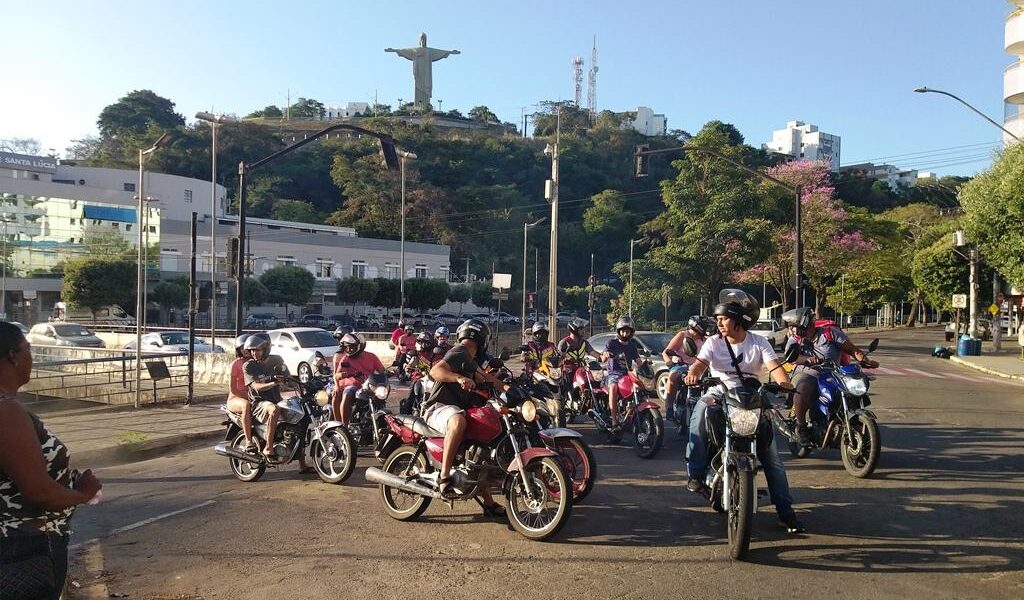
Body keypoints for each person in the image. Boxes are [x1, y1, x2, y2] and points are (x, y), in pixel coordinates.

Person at [683, 289, 805, 533]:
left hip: (751, 396)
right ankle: (696, 474)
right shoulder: (713, 342)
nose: (719, 323)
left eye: (723, 319)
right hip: (718, 392)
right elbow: (699, 365)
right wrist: (692, 375)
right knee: (698, 417)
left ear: (738, 320)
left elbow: (775, 368)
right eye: (717, 319)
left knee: (772, 457)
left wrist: (785, 384)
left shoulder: (758, 342)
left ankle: (786, 512)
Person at [0, 322, 102, 599]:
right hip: (23, 547)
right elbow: (39, 492)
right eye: (29, 349)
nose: (31, 357)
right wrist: (83, 494)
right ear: (13, 356)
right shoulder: (6, 411)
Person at [425, 319, 506, 516]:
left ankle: (488, 502)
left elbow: (488, 379)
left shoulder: (473, 362)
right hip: (439, 408)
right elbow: (435, 370)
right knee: (458, 420)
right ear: (482, 339)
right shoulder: (460, 351)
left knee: (480, 451)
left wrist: (509, 388)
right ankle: (444, 477)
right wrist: (458, 378)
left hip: (457, 409)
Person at [781, 307, 879, 446]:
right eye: (793, 327)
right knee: (803, 387)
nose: (794, 330)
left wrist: (864, 359)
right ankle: (801, 426)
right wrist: (806, 360)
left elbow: (852, 350)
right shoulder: (795, 339)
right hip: (808, 373)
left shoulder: (830, 333)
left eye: (796, 327)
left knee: (852, 390)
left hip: (832, 374)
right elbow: (791, 357)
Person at [243, 333, 309, 471]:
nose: (254, 353)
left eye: (257, 350)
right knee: (274, 409)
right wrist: (274, 383)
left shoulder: (276, 360)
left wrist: (301, 386)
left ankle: (302, 464)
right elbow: (256, 387)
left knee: (300, 418)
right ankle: (268, 447)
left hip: (277, 399)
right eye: (252, 350)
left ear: (266, 349)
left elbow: (289, 378)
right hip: (259, 403)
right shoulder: (249, 366)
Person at [661, 315, 715, 421]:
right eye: (705, 326)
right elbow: (666, 352)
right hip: (681, 365)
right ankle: (669, 407)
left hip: (697, 368)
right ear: (698, 326)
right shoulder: (682, 335)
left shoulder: (705, 339)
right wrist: (669, 362)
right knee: (673, 376)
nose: (707, 329)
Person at [332, 331, 386, 425]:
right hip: (353, 385)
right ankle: (344, 426)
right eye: (347, 347)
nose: (348, 349)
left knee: (381, 398)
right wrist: (347, 374)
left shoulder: (372, 357)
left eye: (351, 347)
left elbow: (382, 370)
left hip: (369, 386)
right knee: (347, 394)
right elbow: (336, 375)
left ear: (360, 346)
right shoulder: (346, 358)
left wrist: (391, 373)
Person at [601, 316, 642, 431]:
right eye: (623, 331)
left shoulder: (632, 346)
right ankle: (614, 420)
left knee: (639, 388)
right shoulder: (611, 343)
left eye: (627, 331)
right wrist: (606, 354)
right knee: (613, 388)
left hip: (627, 374)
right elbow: (603, 358)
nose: (625, 333)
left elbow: (638, 362)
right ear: (618, 331)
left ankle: (633, 416)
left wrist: (645, 365)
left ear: (631, 332)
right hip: (613, 374)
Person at [225, 334, 257, 454]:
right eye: (241, 347)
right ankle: (249, 441)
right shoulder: (236, 364)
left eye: (247, 347)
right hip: (236, 398)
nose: (245, 350)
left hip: (255, 398)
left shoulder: (256, 363)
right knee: (246, 406)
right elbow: (233, 389)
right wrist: (249, 398)